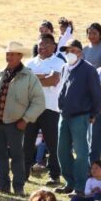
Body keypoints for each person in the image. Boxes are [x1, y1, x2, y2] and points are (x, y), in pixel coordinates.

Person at [0, 41, 45, 195]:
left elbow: (39, 102)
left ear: (20, 56)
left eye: (12, 54)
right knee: (0, 155)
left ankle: (18, 187)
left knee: (17, 156)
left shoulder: (29, 77)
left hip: (16, 123)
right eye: (7, 54)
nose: (9, 57)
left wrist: (26, 119)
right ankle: (3, 185)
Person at [56, 39, 101, 195]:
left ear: (80, 53)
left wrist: (94, 113)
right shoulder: (64, 67)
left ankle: (80, 186)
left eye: (72, 50)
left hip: (80, 116)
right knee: (62, 151)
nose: (69, 53)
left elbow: (97, 94)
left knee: (81, 152)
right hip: (64, 115)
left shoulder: (89, 70)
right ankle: (69, 182)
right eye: (67, 51)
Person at [24, 34, 65, 186]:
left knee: (53, 144)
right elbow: (24, 82)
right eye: (40, 44)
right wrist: (43, 77)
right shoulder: (30, 62)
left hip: (51, 107)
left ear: (54, 46)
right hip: (31, 108)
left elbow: (53, 80)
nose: (42, 47)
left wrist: (34, 78)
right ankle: (24, 173)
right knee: (27, 142)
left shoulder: (59, 62)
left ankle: (54, 175)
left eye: (46, 44)